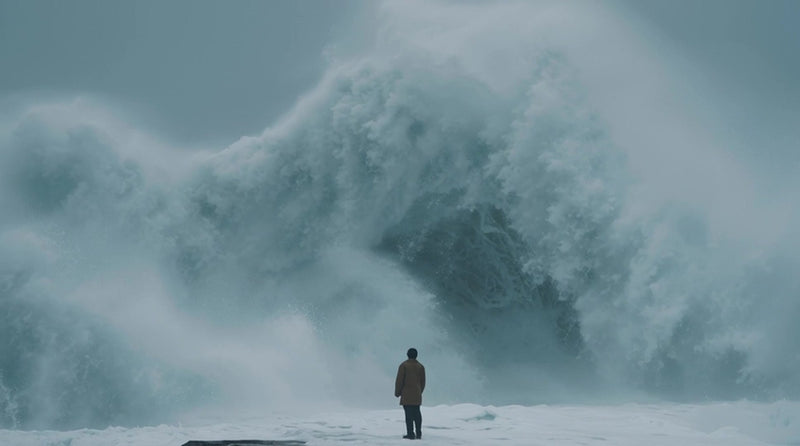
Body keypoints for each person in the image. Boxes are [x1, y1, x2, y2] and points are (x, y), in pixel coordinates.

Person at [395, 347, 425, 440]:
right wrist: (420, 391)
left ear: (407, 355)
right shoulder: (420, 366)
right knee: (417, 414)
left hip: (406, 394)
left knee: (409, 415)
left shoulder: (403, 365)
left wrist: (397, 392)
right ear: (416, 355)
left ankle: (410, 433)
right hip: (417, 394)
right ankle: (418, 433)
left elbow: (399, 381)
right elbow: (423, 382)